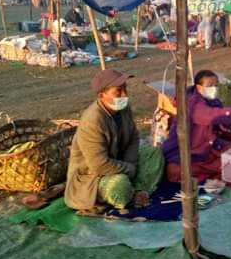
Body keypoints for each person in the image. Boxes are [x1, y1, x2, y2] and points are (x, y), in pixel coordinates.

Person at [65, 69, 161, 211]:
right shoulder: (92, 120)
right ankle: (131, 193)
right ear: (101, 95)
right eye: (118, 91)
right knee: (120, 185)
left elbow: (133, 137)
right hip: (93, 176)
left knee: (154, 153)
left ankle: (139, 191)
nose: (125, 95)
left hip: (119, 162)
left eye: (125, 88)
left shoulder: (123, 108)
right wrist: (129, 169)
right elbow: (99, 165)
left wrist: (131, 163)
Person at [162, 70, 231, 183]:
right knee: (175, 171)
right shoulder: (191, 104)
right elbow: (211, 115)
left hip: (210, 146)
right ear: (199, 87)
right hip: (188, 152)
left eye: (216, 85)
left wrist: (229, 124)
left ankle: (219, 169)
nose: (214, 89)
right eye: (210, 85)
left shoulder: (213, 101)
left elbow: (221, 123)